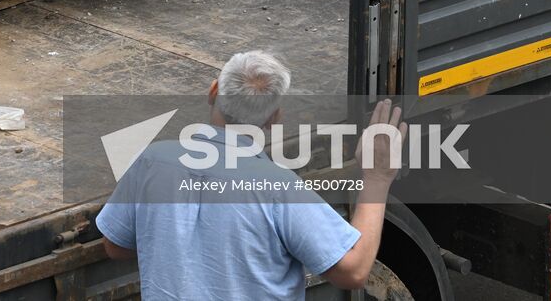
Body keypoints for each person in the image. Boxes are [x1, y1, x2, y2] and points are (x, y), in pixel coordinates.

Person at [95, 51, 406, 300]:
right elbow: (352, 273)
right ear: (274, 118)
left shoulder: (153, 161)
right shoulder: (278, 187)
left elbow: (116, 245)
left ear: (213, 91)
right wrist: (377, 179)